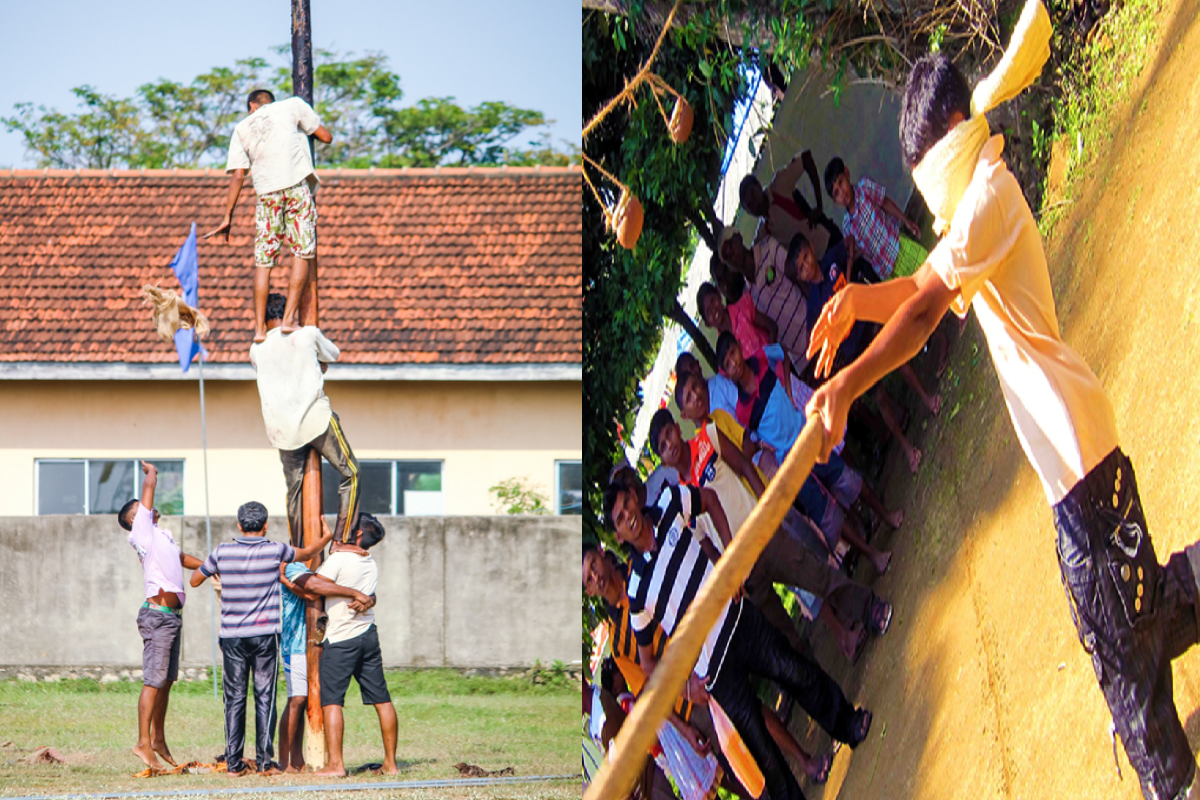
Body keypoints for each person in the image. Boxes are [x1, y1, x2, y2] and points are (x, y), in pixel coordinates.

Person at [804, 23, 1200, 799]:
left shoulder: (986, 196)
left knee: (1122, 644)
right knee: (1140, 610)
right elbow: (923, 294)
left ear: (951, 134)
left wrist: (850, 382)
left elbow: (921, 315)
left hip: (1078, 459)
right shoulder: (979, 199)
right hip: (1078, 451)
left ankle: (1172, 784)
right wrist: (855, 302)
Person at [605, 475, 872, 800]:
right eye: (619, 518)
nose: (628, 515)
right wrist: (688, 689)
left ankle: (849, 723)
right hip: (716, 673)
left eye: (627, 504)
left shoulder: (669, 502)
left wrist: (729, 562)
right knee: (764, 753)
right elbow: (648, 664)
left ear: (634, 496)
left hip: (740, 621)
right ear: (618, 534)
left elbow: (711, 501)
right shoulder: (636, 590)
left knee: (797, 672)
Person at [670, 372, 894, 659]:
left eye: (694, 389)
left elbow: (746, 460)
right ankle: (840, 639)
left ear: (679, 427)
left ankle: (864, 609)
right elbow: (707, 543)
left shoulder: (712, 432)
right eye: (687, 397)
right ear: (684, 414)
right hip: (746, 567)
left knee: (811, 564)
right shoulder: (683, 497)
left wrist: (768, 507)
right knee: (799, 604)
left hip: (766, 513)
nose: (695, 397)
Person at [582, 542, 834, 787]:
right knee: (741, 757)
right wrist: (684, 727)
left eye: (593, 564)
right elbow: (650, 693)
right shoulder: (617, 645)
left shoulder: (642, 571)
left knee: (757, 713)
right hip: (691, 705)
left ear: (602, 554)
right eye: (588, 580)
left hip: (707, 656)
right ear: (589, 591)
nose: (595, 576)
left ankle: (805, 761)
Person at [716, 332, 897, 576]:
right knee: (829, 517)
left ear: (739, 346)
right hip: (792, 465)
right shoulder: (741, 411)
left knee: (846, 478)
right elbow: (752, 441)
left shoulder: (761, 358)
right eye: (727, 363)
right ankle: (873, 555)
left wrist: (789, 392)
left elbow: (783, 353)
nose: (734, 362)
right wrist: (764, 446)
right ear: (725, 373)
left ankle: (887, 516)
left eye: (732, 353)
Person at [189, 501, 331, 776]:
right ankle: (265, 764)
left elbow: (195, 580)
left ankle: (233, 766)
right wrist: (325, 537)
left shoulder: (222, 552)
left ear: (239, 525)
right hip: (266, 636)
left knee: (234, 699)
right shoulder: (277, 550)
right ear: (265, 525)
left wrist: (214, 570)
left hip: (232, 637)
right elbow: (308, 553)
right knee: (265, 697)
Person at [204, 89, 333, 342]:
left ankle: (259, 331)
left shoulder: (241, 128)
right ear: (269, 102)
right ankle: (287, 322)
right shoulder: (293, 105)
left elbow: (239, 175)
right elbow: (325, 137)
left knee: (264, 264)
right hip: (296, 187)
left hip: (266, 196)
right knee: (301, 254)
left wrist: (227, 216)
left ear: (252, 107)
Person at [251, 292, 360, 545]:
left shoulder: (256, 349)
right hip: (316, 421)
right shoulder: (307, 334)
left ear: (264, 320)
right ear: (292, 315)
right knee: (351, 473)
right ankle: (343, 540)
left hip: (283, 431)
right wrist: (317, 360)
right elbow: (333, 354)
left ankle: (298, 550)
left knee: (294, 494)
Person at [117, 461, 205, 771]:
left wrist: (209, 567)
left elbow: (181, 558)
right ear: (135, 517)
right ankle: (143, 743)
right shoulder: (141, 532)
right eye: (142, 508)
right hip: (157, 616)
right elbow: (149, 488)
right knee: (153, 681)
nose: (150, 508)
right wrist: (152, 472)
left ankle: (158, 739)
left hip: (172, 617)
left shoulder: (160, 537)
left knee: (166, 681)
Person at [276, 532, 377, 774]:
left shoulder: (329, 568)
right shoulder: (292, 566)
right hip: (298, 642)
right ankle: (286, 760)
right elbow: (311, 591)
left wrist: (368, 597)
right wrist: (356, 593)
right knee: (298, 699)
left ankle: (300, 760)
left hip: (326, 640)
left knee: (315, 700)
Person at [308, 513, 399, 777]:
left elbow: (314, 584)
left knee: (332, 701)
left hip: (341, 638)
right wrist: (363, 595)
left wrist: (353, 593)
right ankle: (390, 764)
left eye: (349, 526)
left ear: (357, 534)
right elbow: (366, 593)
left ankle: (336, 765)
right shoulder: (368, 561)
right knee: (381, 699)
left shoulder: (340, 559)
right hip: (368, 635)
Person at [717, 229, 810, 374]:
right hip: (801, 362)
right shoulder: (747, 298)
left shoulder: (768, 247)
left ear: (739, 237)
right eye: (727, 256)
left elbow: (798, 276)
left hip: (815, 327)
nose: (732, 255)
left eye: (731, 245)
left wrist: (819, 310)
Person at [823, 156, 926, 282]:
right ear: (835, 201)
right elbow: (860, 249)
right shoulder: (847, 226)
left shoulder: (864, 188)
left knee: (929, 268)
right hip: (885, 270)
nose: (842, 193)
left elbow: (885, 202)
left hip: (897, 246)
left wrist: (906, 220)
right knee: (915, 290)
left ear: (847, 173)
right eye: (836, 193)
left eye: (841, 183)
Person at [739, 151, 836, 259]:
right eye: (750, 205)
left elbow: (806, 158)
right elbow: (750, 257)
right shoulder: (763, 232)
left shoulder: (778, 185)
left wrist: (819, 206)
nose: (754, 204)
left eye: (753, 195)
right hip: (811, 267)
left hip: (826, 242)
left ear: (758, 185)